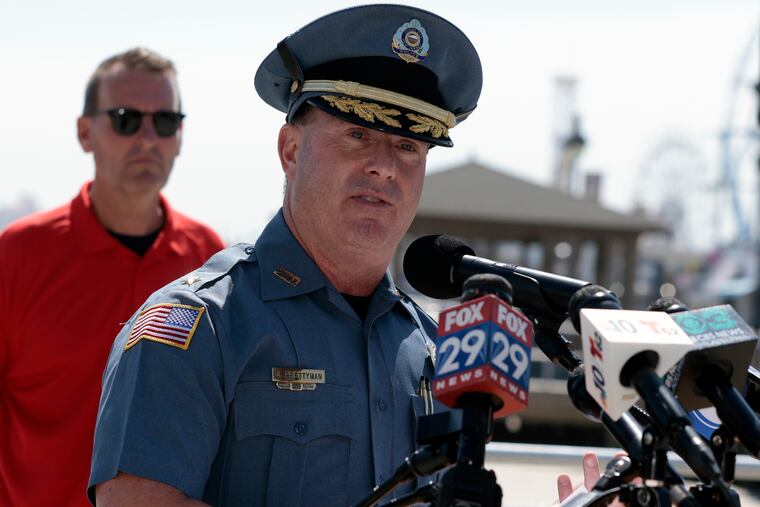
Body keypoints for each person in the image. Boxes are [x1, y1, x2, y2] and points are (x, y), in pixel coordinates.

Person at [88, 5, 482, 506]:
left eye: (409, 147)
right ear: (291, 151)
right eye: (358, 134)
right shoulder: (199, 326)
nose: (384, 167)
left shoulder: (432, 347)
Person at [0, 48, 225, 507]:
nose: (147, 137)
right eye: (126, 119)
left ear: (179, 136)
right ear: (85, 133)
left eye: (164, 122)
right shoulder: (16, 256)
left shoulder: (208, 258)